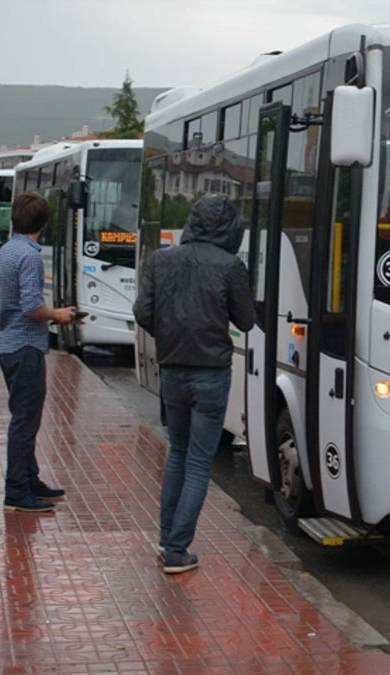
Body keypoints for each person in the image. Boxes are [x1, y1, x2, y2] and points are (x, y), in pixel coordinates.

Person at [133, 193, 254, 574]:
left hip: (172, 370)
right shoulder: (230, 265)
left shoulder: (161, 260)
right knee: (200, 462)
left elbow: (142, 311)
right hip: (212, 373)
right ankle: (177, 550)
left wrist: (169, 335)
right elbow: (247, 320)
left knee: (178, 453)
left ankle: (166, 537)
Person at [0, 192, 81, 513]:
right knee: (25, 421)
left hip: (9, 344)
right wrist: (59, 315)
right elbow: (31, 306)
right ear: (44, 223)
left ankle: (30, 480)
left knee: (24, 417)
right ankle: (17, 490)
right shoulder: (30, 256)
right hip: (26, 347)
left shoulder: (7, 250)